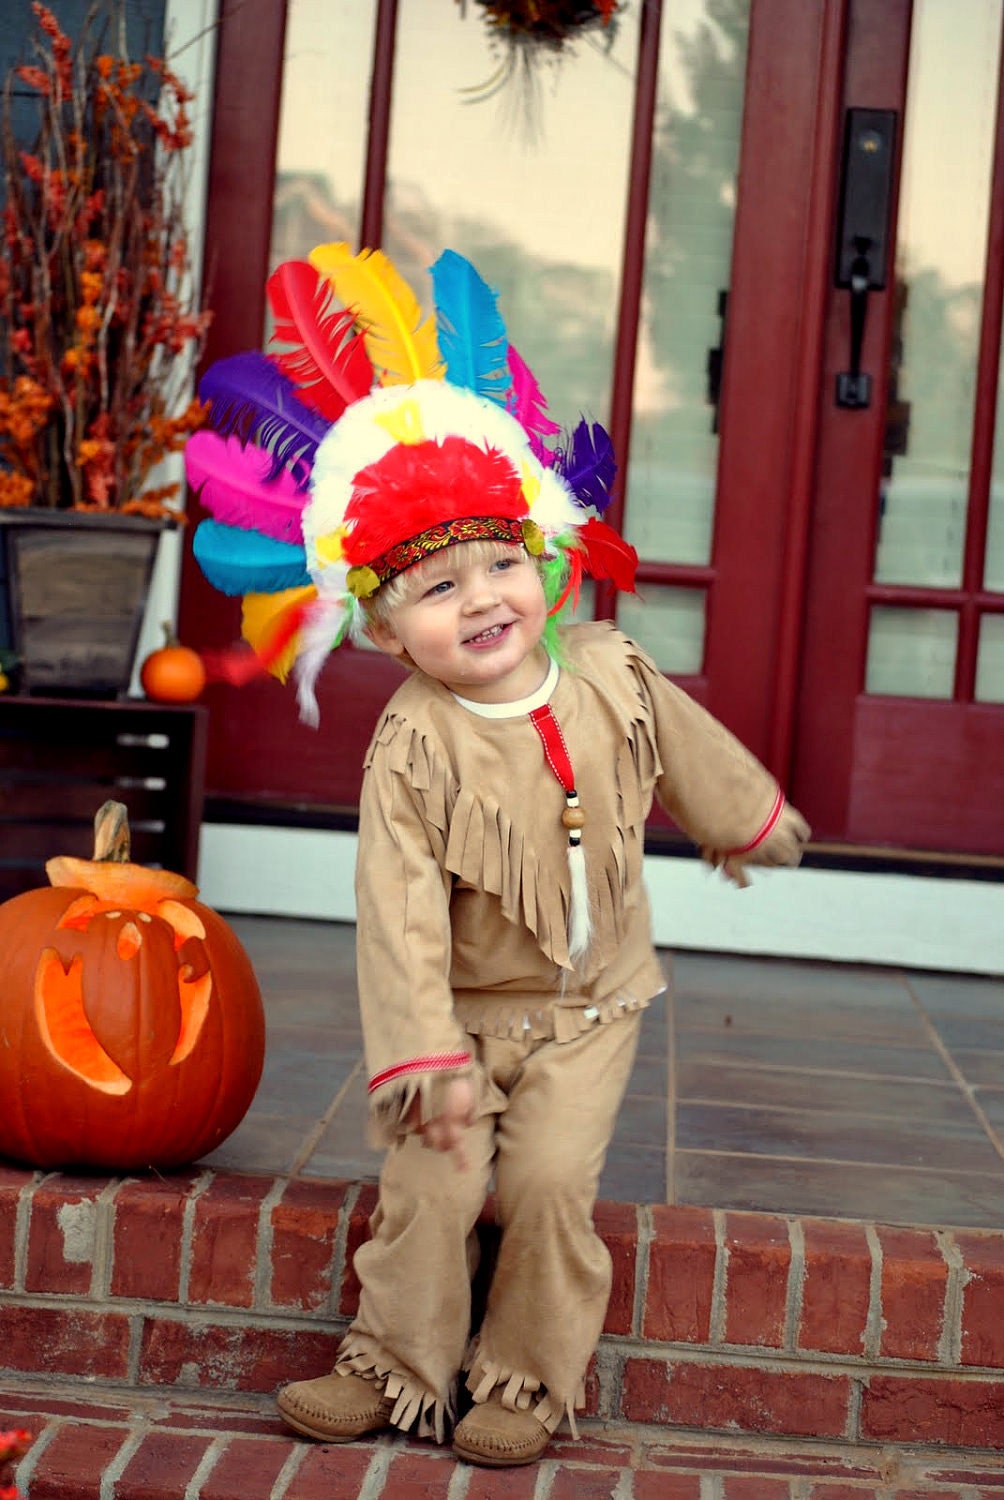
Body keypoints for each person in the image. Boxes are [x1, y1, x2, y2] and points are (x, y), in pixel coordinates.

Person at [186, 246, 809, 1468]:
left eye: (500, 565)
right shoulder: (409, 746)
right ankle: (395, 1366)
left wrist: (745, 821)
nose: (480, 600)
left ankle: (524, 1377)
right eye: (433, 587)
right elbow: (397, 908)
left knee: (540, 1191)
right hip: (459, 1013)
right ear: (377, 623)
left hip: (589, 1009)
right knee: (431, 1183)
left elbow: (684, 747)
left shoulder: (609, 669)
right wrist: (423, 1055)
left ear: (545, 561)